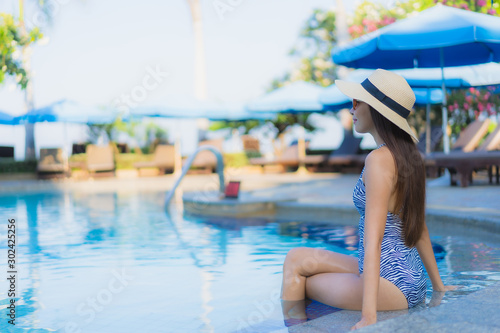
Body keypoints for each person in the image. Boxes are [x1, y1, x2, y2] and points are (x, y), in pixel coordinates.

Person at [280, 69, 455, 330]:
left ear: (376, 109)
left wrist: (369, 316)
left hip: (392, 284)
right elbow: (419, 228)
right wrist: (438, 286)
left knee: (300, 279)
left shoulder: (378, 161)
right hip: (411, 279)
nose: (352, 108)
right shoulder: (409, 156)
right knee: (296, 258)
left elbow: (372, 241)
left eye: (358, 101)